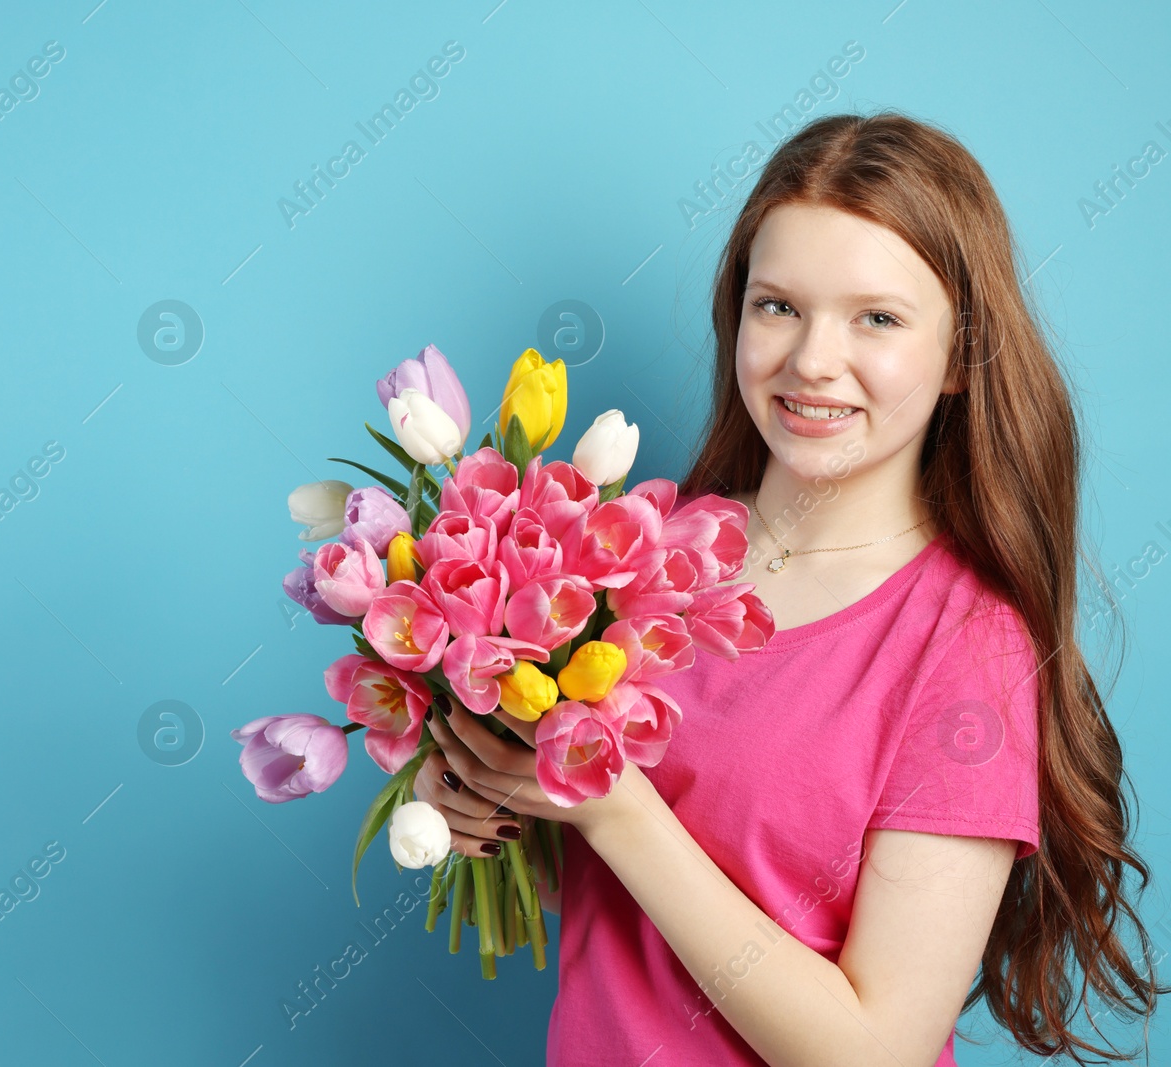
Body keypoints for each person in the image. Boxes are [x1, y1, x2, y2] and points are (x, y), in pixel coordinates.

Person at [414, 110, 1165, 1065]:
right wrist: (498, 801)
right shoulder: (629, 557)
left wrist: (612, 803)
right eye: (778, 306)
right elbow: (630, 901)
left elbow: (875, 1049)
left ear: (961, 357)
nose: (811, 359)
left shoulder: (967, 645)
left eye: (878, 318)